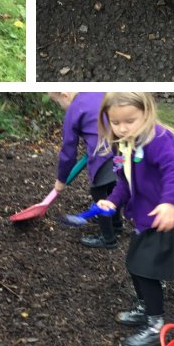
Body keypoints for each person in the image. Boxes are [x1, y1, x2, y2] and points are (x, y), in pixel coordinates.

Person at [93, 92, 174, 346]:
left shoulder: (159, 139)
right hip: (146, 214)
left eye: (129, 121)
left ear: (147, 113)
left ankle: (155, 325)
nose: (122, 128)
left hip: (169, 213)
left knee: (144, 268)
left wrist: (169, 202)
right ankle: (145, 306)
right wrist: (112, 201)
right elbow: (123, 181)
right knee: (134, 263)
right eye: (115, 122)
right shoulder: (122, 144)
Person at [47, 92, 121, 249]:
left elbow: (68, 151)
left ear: (65, 95)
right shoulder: (97, 92)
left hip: (102, 152)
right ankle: (116, 223)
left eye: (57, 103)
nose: (60, 107)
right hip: (121, 147)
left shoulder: (74, 109)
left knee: (98, 192)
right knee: (114, 185)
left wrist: (61, 180)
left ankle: (108, 238)